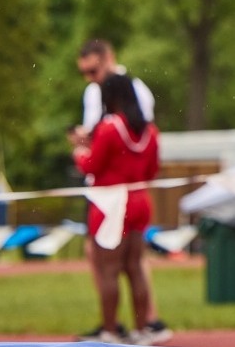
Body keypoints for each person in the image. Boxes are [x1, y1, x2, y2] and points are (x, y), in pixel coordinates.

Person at [74, 73, 170, 345]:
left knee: (108, 269)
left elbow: (92, 165)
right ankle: (141, 330)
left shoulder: (108, 128)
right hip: (139, 199)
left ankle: (110, 330)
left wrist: (79, 153)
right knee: (135, 267)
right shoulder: (150, 132)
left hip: (110, 203)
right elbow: (152, 170)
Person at [72, 39, 155, 146]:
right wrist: (84, 138)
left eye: (93, 71)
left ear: (109, 58)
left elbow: (144, 136)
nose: (88, 78)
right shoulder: (92, 91)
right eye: (84, 73)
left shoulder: (137, 88)